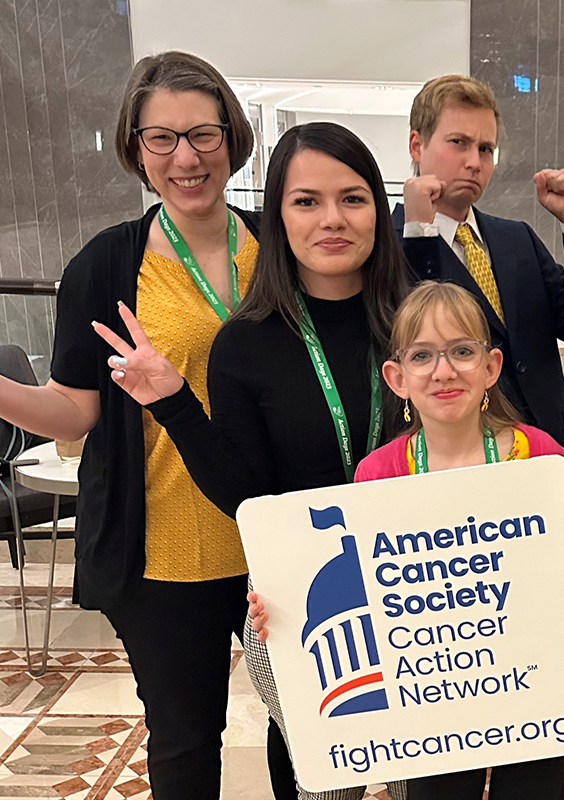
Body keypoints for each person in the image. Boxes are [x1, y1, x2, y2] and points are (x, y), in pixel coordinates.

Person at [0, 51, 274, 798]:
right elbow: (77, 409)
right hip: (164, 550)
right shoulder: (106, 264)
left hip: (277, 538)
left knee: (306, 726)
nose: (185, 157)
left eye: (203, 133)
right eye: (161, 138)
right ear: (135, 148)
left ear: (232, 135)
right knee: (187, 740)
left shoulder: (279, 248)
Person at [92, 122, 412, 800]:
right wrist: (176, 404)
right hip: (311, 596)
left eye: (353, 199)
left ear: (379, 214)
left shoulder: (421, 323)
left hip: (423, 579)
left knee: (429, 772)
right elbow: (247, 494)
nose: (332, 219)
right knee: (323, 779)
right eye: (306, 202)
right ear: (277, 217)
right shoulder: (247, 342)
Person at [246, 279, 564, 800]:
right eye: (423, 356)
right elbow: (364, 586)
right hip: (432, 703)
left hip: (533, 692)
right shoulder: (379, 475)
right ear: (396, 377)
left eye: (462, 351)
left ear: (491, 367)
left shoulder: (540, 458)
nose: (444, 371)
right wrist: (282, 611)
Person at [396, 74, 564, 452]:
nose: (474, 162)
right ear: (417, 144)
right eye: (459, 143)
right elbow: (416, 331)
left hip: (551, 450)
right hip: (462, 463)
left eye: (486, 149)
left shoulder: (516, 238)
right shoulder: (387, 246)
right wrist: (419, 234)